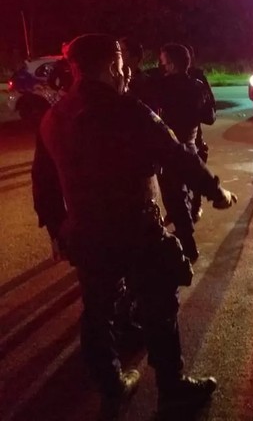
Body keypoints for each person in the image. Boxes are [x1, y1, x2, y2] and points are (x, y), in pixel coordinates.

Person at [31, 34, 237, 419]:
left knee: (97, 311)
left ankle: (111, 383)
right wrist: (216, 192)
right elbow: (178, 157)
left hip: (87, 233)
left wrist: (57, 230)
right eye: (123, 66)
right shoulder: (129, 111)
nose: (127, 74)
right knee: (160, 306)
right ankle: (172, 390)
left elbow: (42, 182)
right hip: (137, 230)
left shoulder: (54, 116)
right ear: (113, 66)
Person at [156, 43, 210, 261]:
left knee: (174, 198)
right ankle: (186, 234)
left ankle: (188, 244)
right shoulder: (198, 85)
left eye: (164, 62)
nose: (162, 66)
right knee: (182, 193)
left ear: (172, 64)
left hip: (171, 148)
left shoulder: (163, 86)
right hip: (190, 145)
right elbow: (210, 117)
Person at [186, 45, 216, 223]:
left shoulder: (197, 80)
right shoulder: (163, 80)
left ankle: (195, 205)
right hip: (171, 135)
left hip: (193, 135)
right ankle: (181, 208)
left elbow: (210, 113)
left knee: (195, 171)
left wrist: (195, 109)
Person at [119, 37, 157, 112]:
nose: (118, 55)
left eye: (121, 50)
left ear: (134, 56)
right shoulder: (114, 79)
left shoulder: (148, 83)